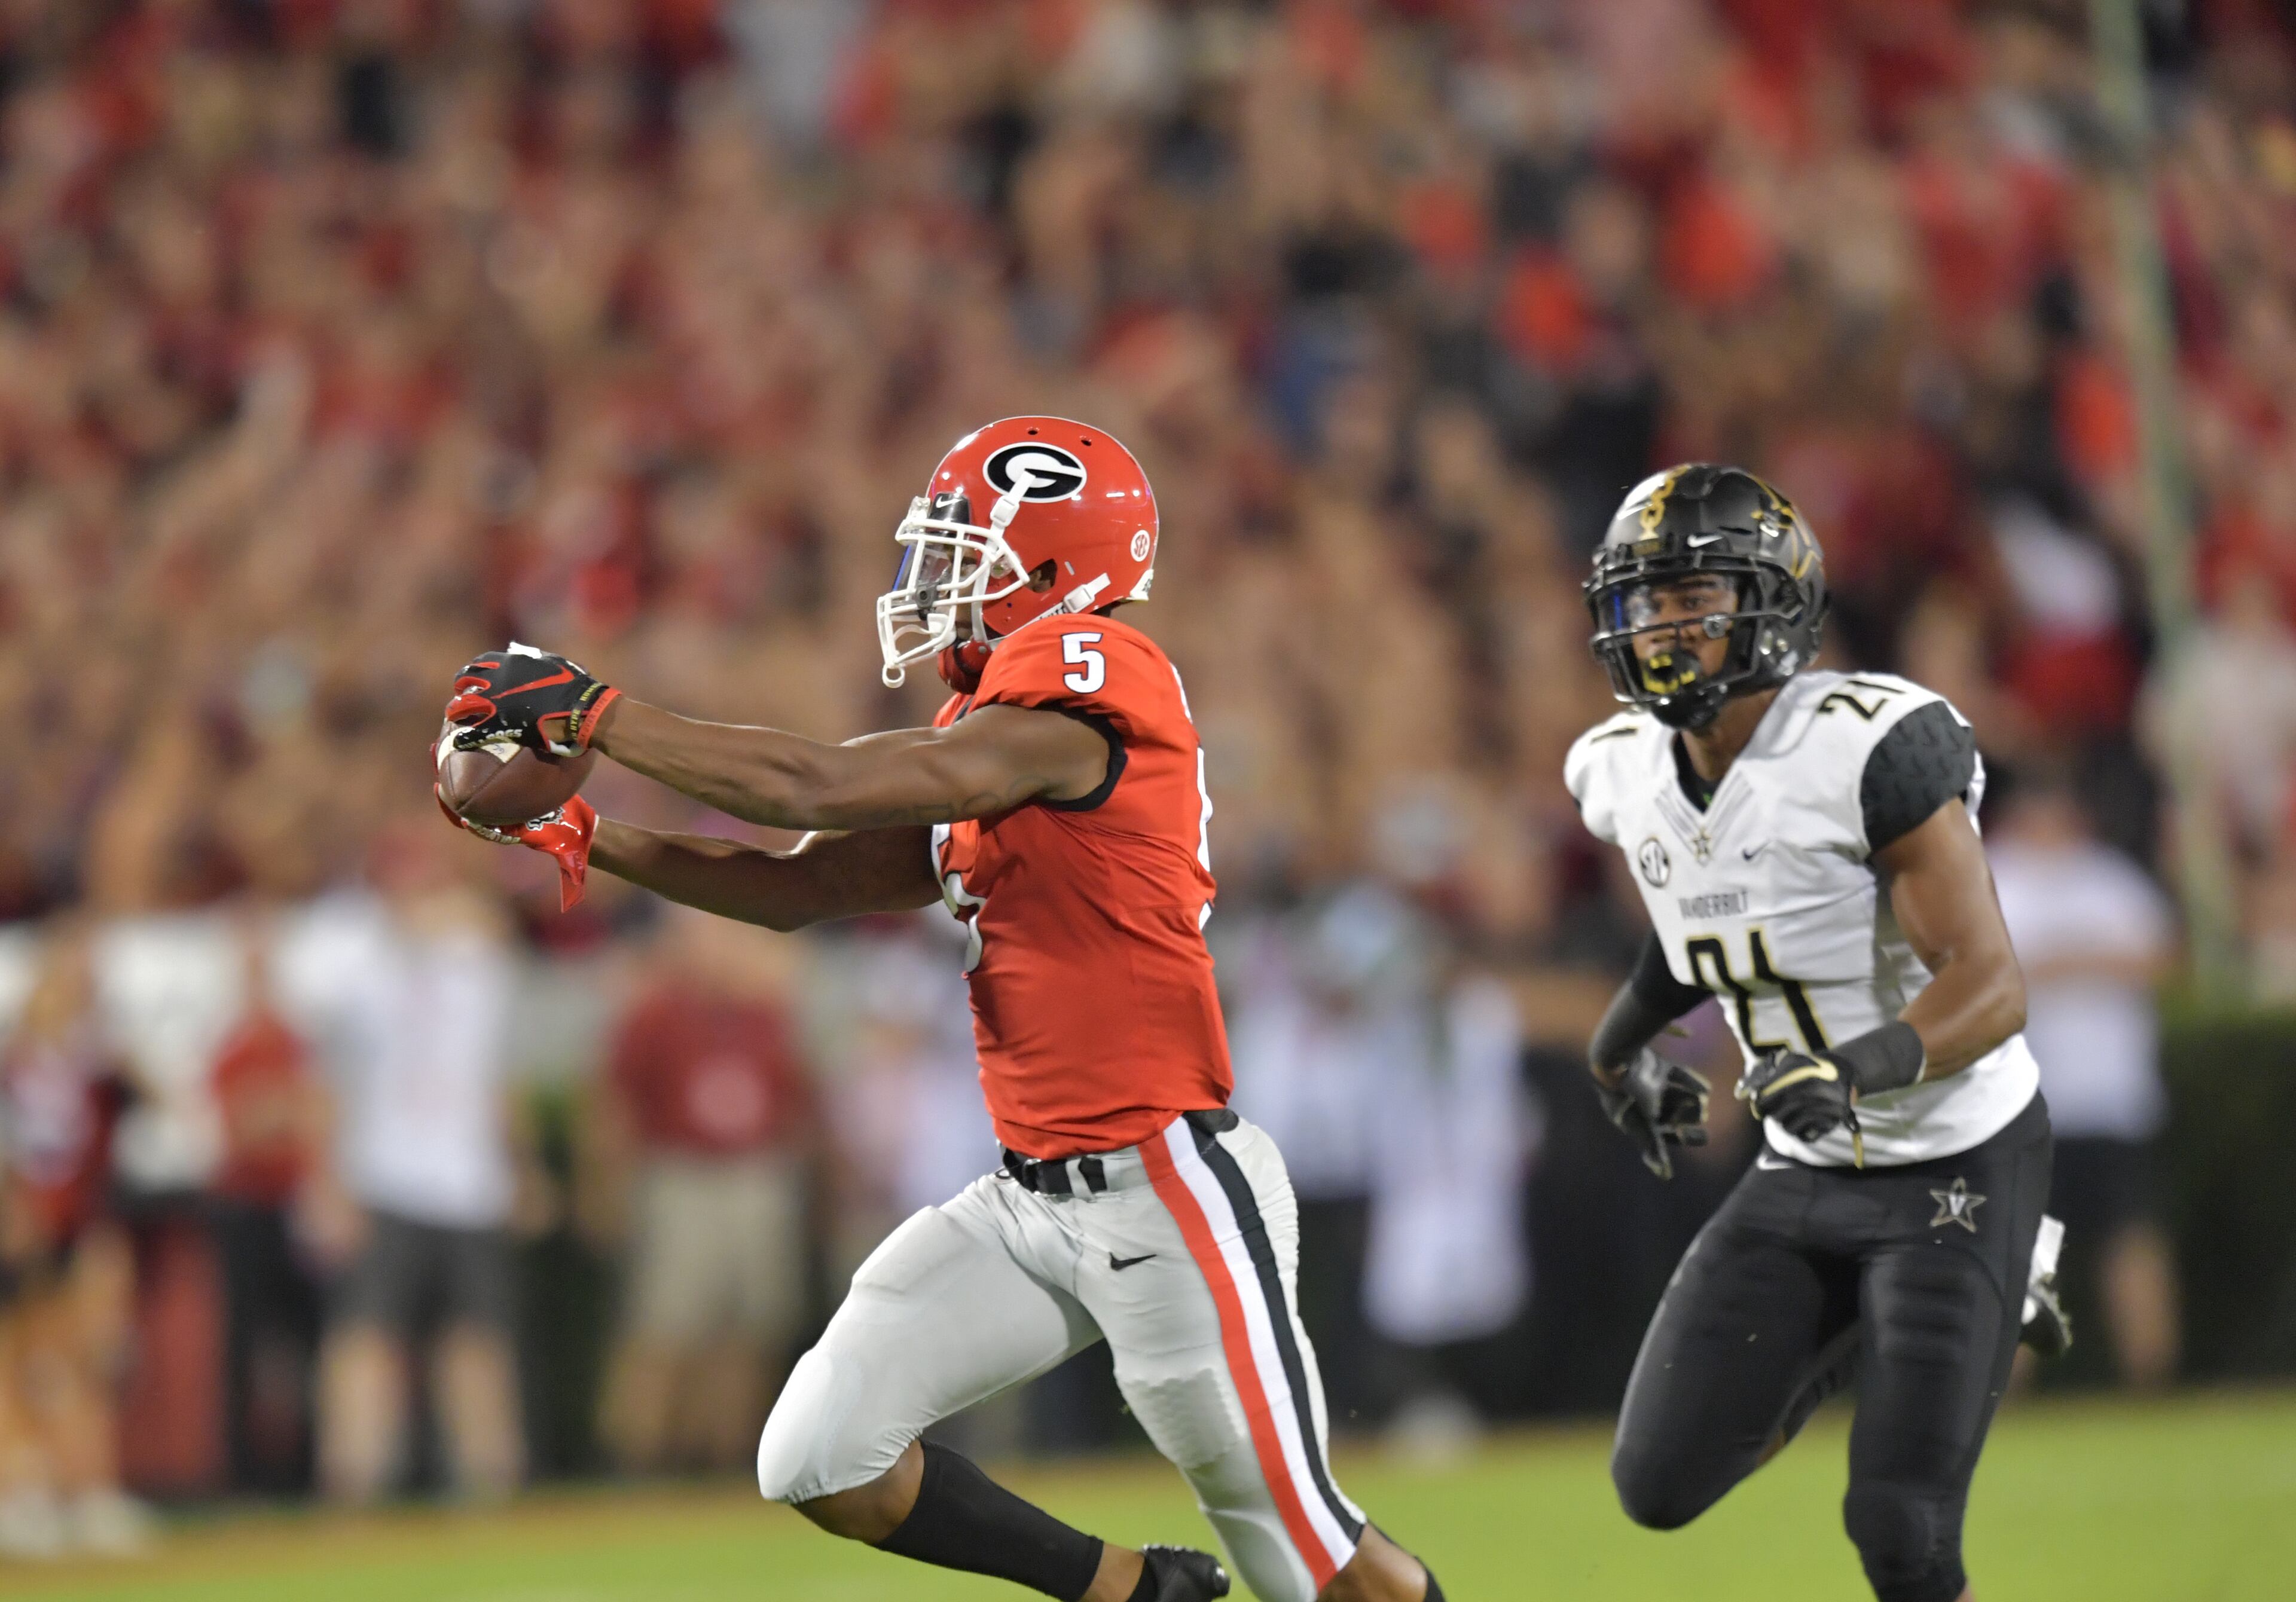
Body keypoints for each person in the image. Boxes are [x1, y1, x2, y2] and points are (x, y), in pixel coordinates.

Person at [439, 417, 1445, 1602]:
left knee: (1318, 1566)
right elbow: (800, 885)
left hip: (1168, 1191)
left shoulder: (1092, 683)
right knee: (820, 1450)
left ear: (1059, 568)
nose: (935, 585)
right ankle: (1130, 1590)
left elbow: (813, 782)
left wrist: (599, 714)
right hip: (1030, 1197)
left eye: (968, 556)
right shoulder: (994, 739)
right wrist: (592, 835)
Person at [1563, 465, 2056, 1602]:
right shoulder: (1625, 766)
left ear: (1772, 605)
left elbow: (1989, 984)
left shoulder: (1868, 744)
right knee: (1657, 1482)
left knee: (1900, 1523)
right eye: (1647, 602)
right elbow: (1703, 929)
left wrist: (1852, 1069)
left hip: (1955, 1162)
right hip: (1808, 1169)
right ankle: (1867, 1326)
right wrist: (1615, 1046)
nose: (1667, 629)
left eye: (1697, 598)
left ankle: (2003, 1270)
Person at [585, 906, 819, 1475]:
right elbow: (613, 1106)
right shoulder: (657, 1012)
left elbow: (797, 1104)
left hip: (756, 1177)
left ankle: (725, 1461)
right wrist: (606, 1187)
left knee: (748, 1333)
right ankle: (635, 1463)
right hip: (681, 1177)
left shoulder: (767, 1014)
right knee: (664, 1330)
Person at [1987, 768, 2180, 1387]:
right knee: (2020, 1249)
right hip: (2024, 1100)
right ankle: (2002, 1391)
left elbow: (2163, 958)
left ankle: (2152, 1382)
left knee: (2127, 1239)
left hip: (2109, 1098)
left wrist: (2064, 963)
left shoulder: (2110, 878)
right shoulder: (1995, 877)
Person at [0, 927, 147, 1557]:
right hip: (24, 1222)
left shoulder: (96, 1068)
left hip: (78, 1223)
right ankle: (22, 1489)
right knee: (22, 1359)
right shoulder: (15, 1067)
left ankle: (88, 1488)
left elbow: (125, 1130)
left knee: (87, 1358)